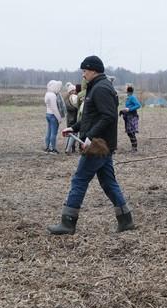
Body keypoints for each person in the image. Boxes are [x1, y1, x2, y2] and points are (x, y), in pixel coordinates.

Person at [48, 55, 135, 235]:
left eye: (85, 70)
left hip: (98, 145)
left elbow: (108, 116)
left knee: (79, 180)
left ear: (94, 70)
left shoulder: (101, 89)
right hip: (102, 143)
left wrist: (90, 136)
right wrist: (74, 127)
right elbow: (92, 117)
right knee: (109, 183)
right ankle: (126, 220)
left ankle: (68, 223)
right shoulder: (98, 87)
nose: (83, 74)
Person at [43, 80, 64, 154]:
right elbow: (54, 108)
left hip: (48, 114)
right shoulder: (53, 95)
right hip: (53, 116)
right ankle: (53, 149)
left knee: (48, 132)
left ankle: (47, 147)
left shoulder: (47, 94)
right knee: (54, 133)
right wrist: (59, 118)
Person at [120, 85, 141, 151]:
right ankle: (133, 147)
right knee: (130, 132)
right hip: (128, 116)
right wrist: (123, 111)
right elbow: (128, 107)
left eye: (125, 88)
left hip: (132, 116)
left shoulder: (132, 97)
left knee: (131, 132)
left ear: (128, 90)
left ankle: (134, 148)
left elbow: (138, 105)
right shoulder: (128, 97)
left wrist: (130, 109)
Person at [64, 83, 81, 154]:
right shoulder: (67, 98)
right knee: (71, 134)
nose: (74, 91)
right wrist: (77, 107)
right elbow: (69, 107)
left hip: (74, 118)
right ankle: (68, 148)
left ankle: (72, 148)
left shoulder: (75, 97)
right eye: (73, 90)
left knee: (74, 134)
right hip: (71, 119)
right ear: (70, 91)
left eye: (75, 90)